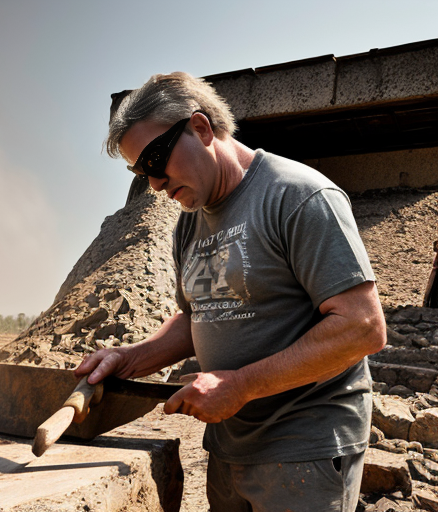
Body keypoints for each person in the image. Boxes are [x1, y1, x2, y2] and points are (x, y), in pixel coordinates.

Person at [75, 72, 387, 512]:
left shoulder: (298, 195)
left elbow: (362, 327)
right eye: (140, 171)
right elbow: (198, 317)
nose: (155, 183)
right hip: (230, 446)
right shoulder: (190, 221)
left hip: (305, 450)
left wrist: (240, 385)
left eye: (156, 159)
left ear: (201, 128)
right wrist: (129, 359)